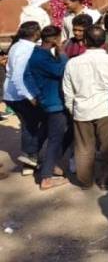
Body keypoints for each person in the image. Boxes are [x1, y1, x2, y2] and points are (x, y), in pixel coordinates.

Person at [62, 25, 108, 189]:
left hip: (81, 111)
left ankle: (85, 181)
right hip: (107, 109)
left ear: (84, 41)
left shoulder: (73, 63)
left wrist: (71, 108)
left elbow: (67, 90)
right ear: (104, 42)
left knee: (84, 148)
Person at [25, 25, 70, 190]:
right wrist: (63, 54)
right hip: (54, 103)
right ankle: (46, 177)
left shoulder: (36, 53)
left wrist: (36, 94)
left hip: (45, 99)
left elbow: (27, 75)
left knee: (51, 133)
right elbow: (60, 71)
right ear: (54, 40)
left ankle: (46, 164)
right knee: (55, 139)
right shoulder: (43, 58)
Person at [2, 22, 44, 173]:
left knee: (29, 125)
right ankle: (30, 157)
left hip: (11, 93)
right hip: (20, 95)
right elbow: (18, 76)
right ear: (35, 34)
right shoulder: (27, 49)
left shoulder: (17, 46)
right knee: (30, 125)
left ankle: (30, 160)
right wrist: (29, 96)